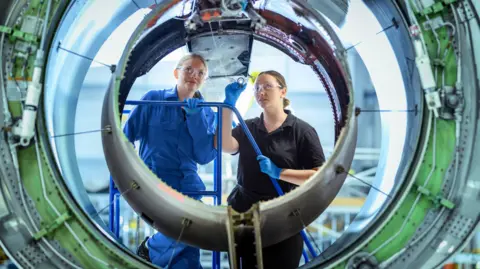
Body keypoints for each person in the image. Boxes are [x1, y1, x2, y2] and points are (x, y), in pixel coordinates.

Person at [220, 70, 326, 269]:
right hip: (245, 214)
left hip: (283, 217)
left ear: (283, 91)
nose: (261, 92)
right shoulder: (248, 127)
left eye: (267, 86)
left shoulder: (302, 131)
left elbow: (318, 176)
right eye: (257, 88)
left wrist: (279, 173)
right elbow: (224, 145)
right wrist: (227, 106)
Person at [123, 53, 216, 269]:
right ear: (176, 73)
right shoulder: (153, 99)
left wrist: (195, 118)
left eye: (201, 73)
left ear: (204, 80)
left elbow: (204, 156)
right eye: (188, 69)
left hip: (188, 187)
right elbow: (126, 135)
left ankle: (150, 250)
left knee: (189, 247)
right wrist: (128, 176)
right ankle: (152, 249)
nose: (194, 75)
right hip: (155, 184)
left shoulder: (208, 112)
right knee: (191, 229)